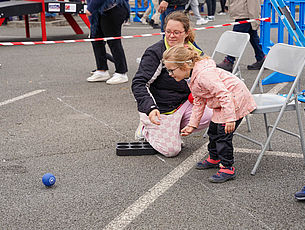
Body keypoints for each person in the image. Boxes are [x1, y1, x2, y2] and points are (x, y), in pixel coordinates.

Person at [162, 45, 256, 183]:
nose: (170, 74)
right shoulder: (192, 77)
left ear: (185, 65)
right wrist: (192, 124)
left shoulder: (203, 76)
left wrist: (230, 119)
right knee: (213, 131)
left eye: (171, 70)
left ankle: (227, 168)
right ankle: (214, 158)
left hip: (234, 100)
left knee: (223, 135)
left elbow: (224, 94)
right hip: (223, 103)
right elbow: (199, 101)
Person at [132, 11, 212, 157]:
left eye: (176, 32)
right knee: (171, 151)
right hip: (161, 107)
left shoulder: (193, 49)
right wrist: (149, 107)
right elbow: (139, 83)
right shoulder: (155, 52)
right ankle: (146, 128)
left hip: (185, 102)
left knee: (212, 113)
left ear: (186, 33)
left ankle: (171, 130)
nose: (171, 36)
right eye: (168, 31)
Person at [85, 0, 130, 85]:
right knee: (96, 40)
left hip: (113, 8)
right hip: (99, 11)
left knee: (113, 42)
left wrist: (91, 8)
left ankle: (121, 72)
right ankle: (101, 70)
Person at [217, 0, 266, 72]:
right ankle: (260, 58)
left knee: (236, 38)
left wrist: (254, 19)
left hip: (245, 15)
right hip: (243, 13)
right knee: (253, 37)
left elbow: (253, 4)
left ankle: (229, 61)